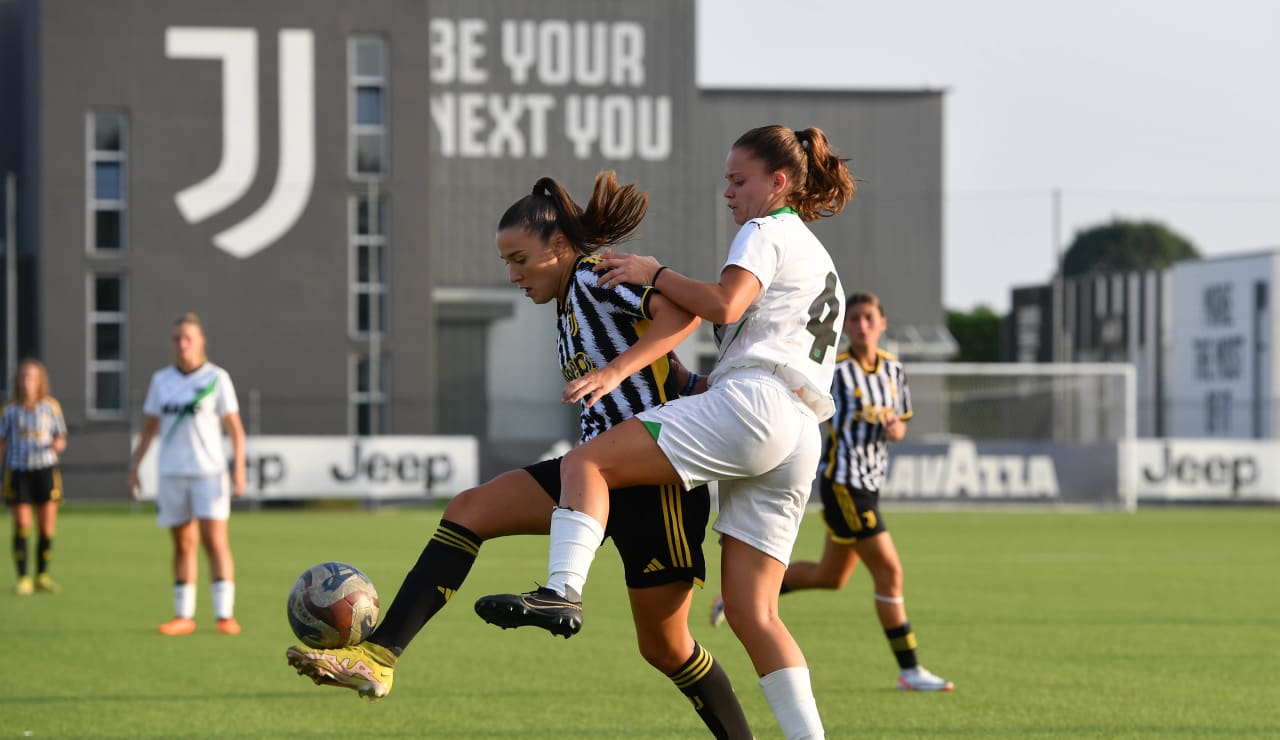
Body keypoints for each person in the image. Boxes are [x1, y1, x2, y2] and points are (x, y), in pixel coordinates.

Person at [285, 172, 754, 739]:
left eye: (519, 259)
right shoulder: (567, 304)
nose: (512, 275)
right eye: (506, 262)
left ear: (559, 249)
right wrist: (684, 382)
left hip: (659, 481)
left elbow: (683, 316)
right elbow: (666, 369)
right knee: (470, 508)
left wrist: (614, 372)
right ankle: (379, 656)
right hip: (595, 475)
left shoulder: (593, 277)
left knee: (665, 646)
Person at [476, 125, 854, 740]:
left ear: (778, 183)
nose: (728, 192)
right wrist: (692, 378)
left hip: (757, 407)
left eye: (739, 180)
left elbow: (725, 303)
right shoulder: (815, 252)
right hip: (797, 428)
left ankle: (561, 590)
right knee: (755, 614)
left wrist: (656, 273)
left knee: (586, 464)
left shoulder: (765, 229)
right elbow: (763, 342)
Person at [710, 291, 954, 692]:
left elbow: (901, 422)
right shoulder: (836, 370)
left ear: (882, 323)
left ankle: (739, 596)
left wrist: (896, 429)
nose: (861, 325)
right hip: (844, 484)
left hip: (871, 484)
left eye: (868, 318)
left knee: (831, 576)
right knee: (890, 572)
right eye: (854, 318)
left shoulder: (893, 370)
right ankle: (910, 670)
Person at [128, 313, 246, 636]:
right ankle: (184, 615)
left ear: (201, 341)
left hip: (209, 473)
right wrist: (135, 465)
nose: (182, 343)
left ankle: (224, 615)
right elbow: (150, 428)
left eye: (188, 338)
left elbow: (234, 427)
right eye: (177, 338)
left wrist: (238, 466)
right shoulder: (161, 380)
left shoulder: (216, 378)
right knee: (182, 543)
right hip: (172, 473)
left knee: (214, 540)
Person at [1, 359, 68, 595]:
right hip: (18, 471)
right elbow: (2, 443)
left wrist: (58, 444)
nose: (27, 381)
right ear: (17, 381)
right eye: (23, 376)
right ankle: (23, 577)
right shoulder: (9, 411)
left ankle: (42, 574)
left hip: (45, 470)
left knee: (46, 525)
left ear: (40, 381)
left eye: (32, 377)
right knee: (22, 523)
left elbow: (61, 437)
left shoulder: (51, 407)